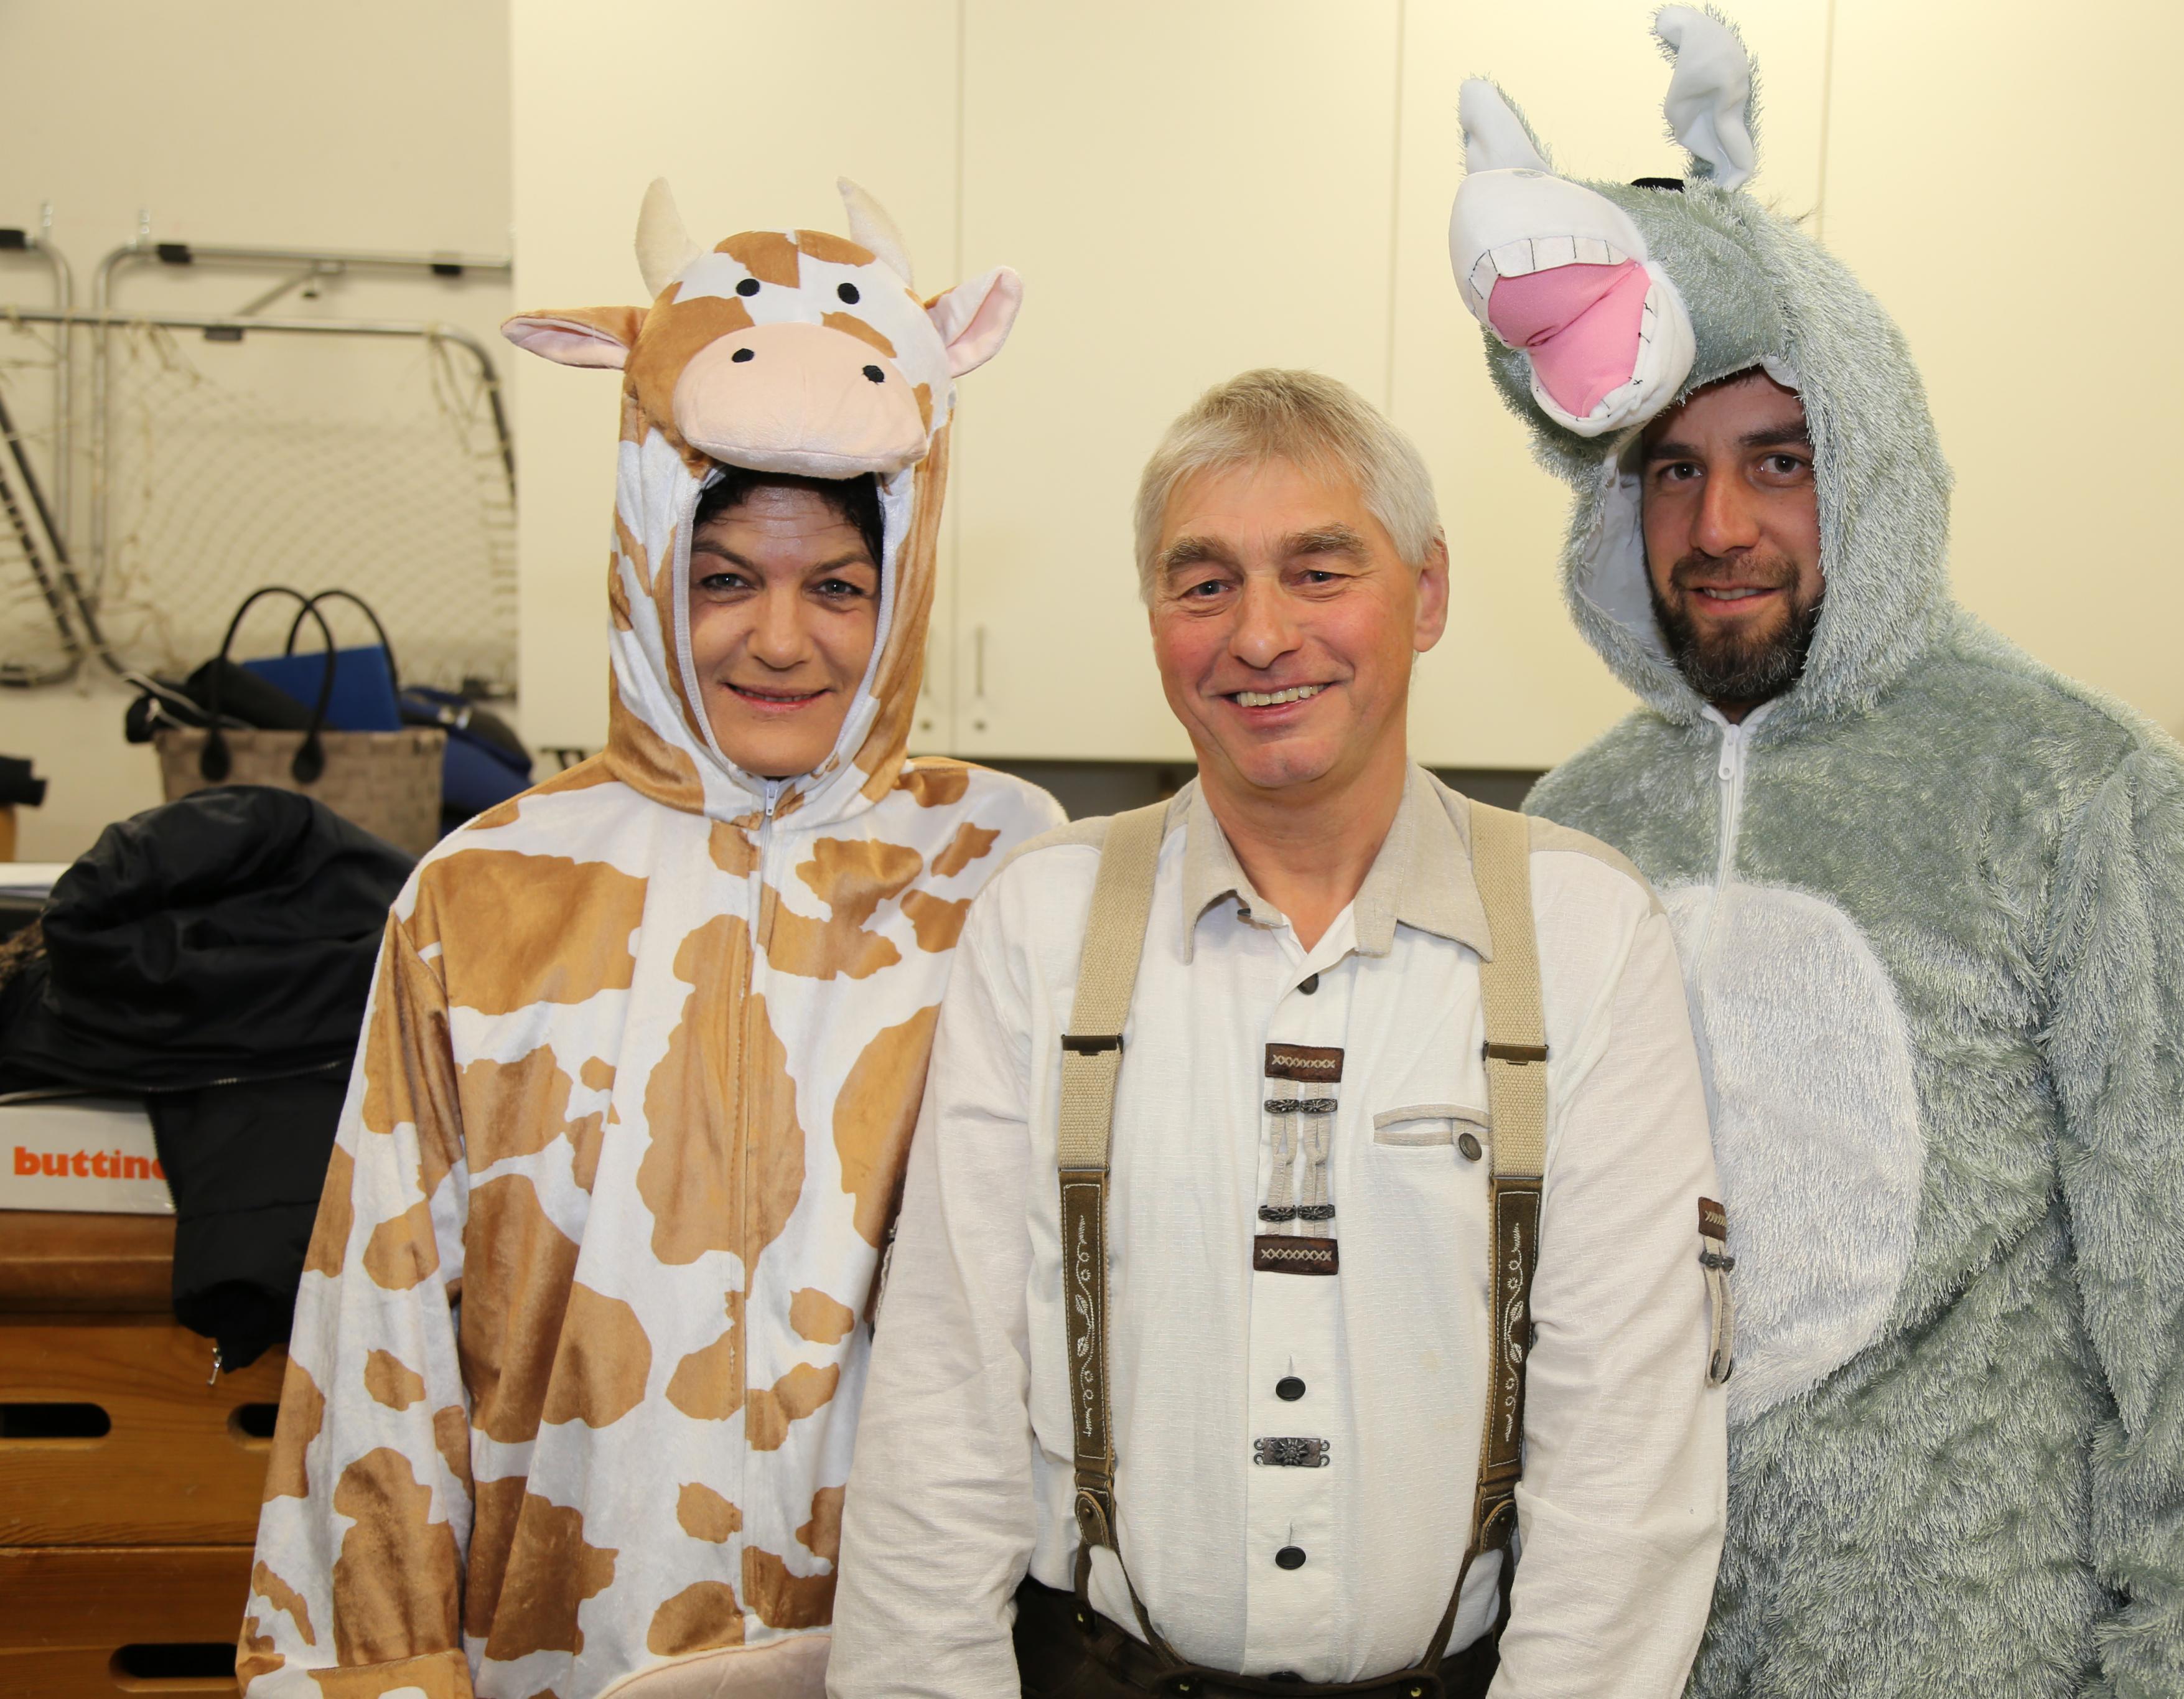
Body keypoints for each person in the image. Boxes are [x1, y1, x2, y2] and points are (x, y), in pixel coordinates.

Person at [1444, 10, 2184, 1697]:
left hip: (1977, 1652)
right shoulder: (1571, 831)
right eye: (1671, 471)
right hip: (1622, 1656)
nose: (1719, 529)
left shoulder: (2078, 794)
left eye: (1778, 463)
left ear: (1869, 460)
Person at [236, 177, 1062, 1699]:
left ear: (901, 599)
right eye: (725, 579)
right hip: (560, 1646)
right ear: (645, 566)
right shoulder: (490, 892)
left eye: (837, 588)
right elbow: (378, 1328)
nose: (779, 639)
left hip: (916, 1654)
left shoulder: (1002, 872)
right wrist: (377, 1669)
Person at [829, 370, 1728, 1699]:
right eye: (1204, 585)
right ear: (1154, 621)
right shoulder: (1043, 924)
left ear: (1426, 593)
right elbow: (939, 1414)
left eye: (1318, 572)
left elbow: (1627, 1471)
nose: (1259, 635)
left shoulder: (1582, 932)